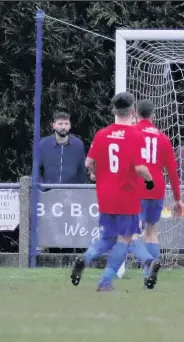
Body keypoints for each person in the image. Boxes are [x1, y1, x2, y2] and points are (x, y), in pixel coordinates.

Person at [70, 92, 158, 292]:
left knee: (108, 237)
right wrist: (150, 181)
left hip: (105, 194)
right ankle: (105, 282)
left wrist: (96, 174)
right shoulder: (136, 135)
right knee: (125, 239)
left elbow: (89, 163)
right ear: (133, 111)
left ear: (113, 111)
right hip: (126, 194)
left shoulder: (101, 134)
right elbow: (140, 168)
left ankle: (85, 257)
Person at [120, 100, 182, 278]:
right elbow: (172, 172)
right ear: (153, 116)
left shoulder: (130, 133)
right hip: (156, 189)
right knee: (151, 230)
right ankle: (149, 276)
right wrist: (177, 199)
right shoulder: (162, 138)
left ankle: (148, 260)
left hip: (135, 188)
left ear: (135, 114)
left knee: (128, 233)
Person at [38, 111, 88, 185]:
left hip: (71, 192)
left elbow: (82, 171)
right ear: (54, 126)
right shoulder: (43, 144)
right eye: (60, 124)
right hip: (48, 192)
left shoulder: (78, 145)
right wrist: (43, 188)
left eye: (66, 123)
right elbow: (37, 170)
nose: (63, 127)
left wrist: (77, 190)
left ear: (70, 126)